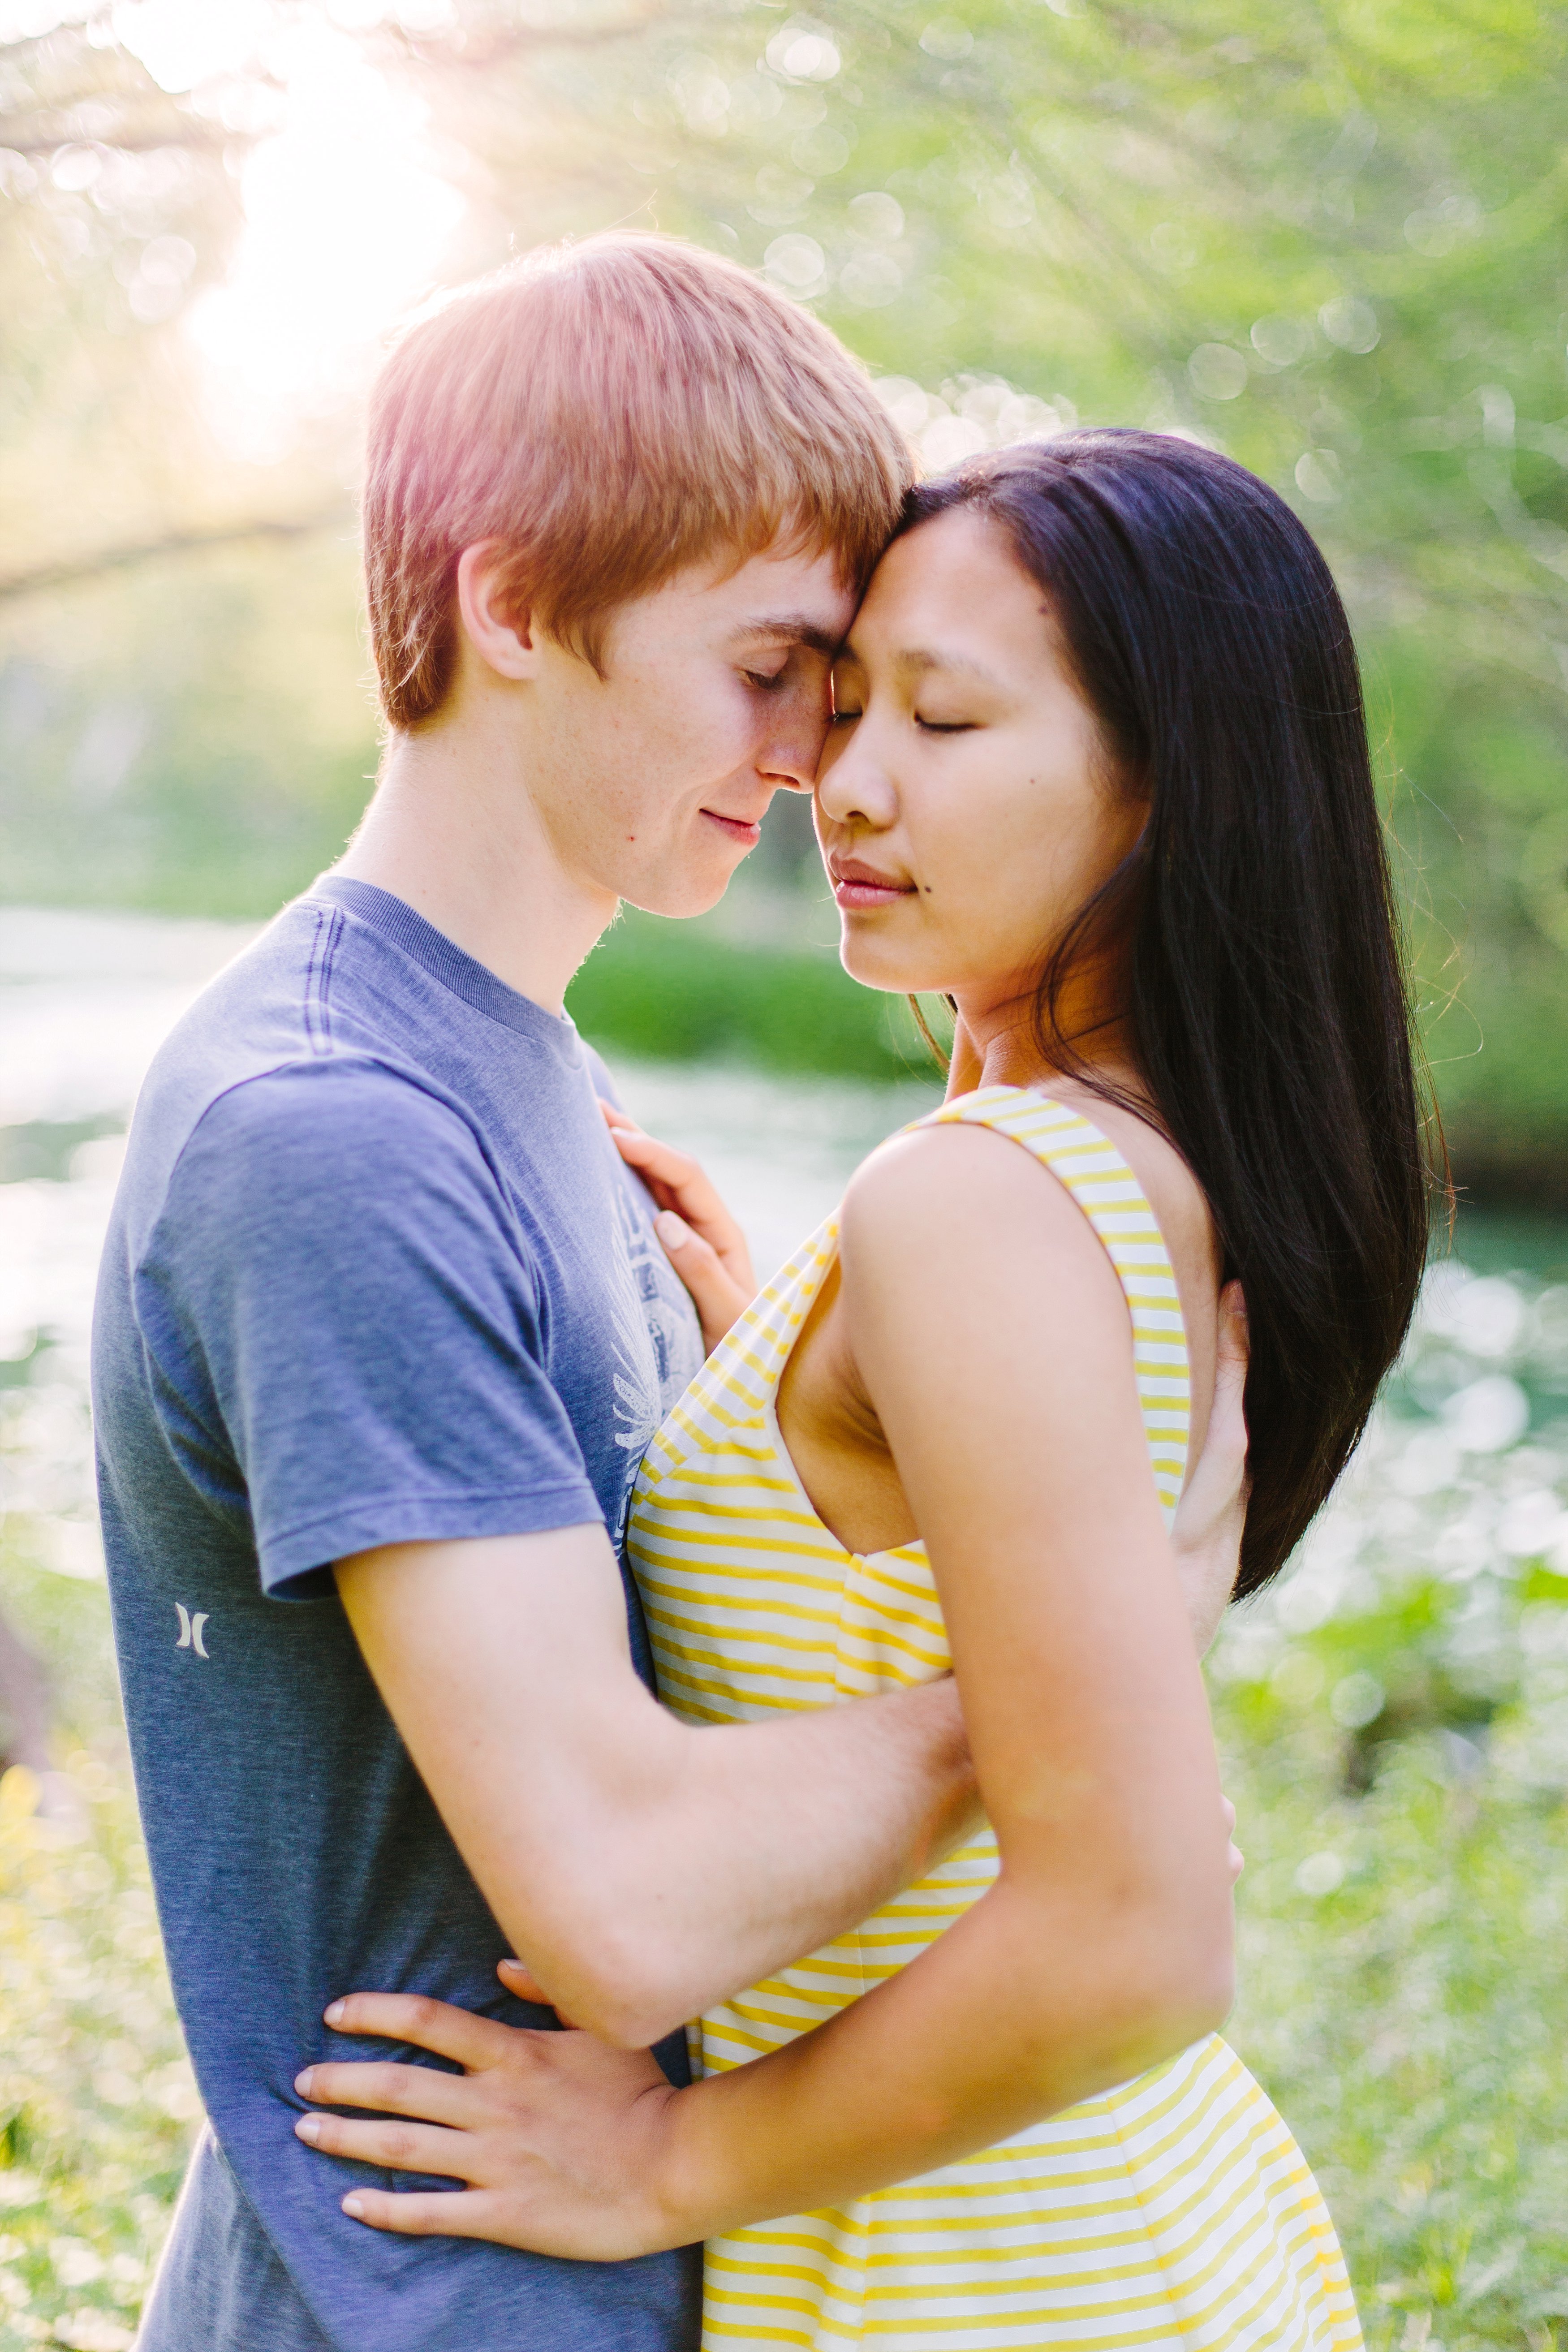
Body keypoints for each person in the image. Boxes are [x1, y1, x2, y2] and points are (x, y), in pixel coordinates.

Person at [92, 243, 1248, 2352]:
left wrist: (743, 1415)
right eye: (772, 665)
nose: (819, 756)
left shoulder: (531, 1071)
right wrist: (1081, 1670)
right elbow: (621, 1908)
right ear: (514, 599)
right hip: (433, 2294)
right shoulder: (338, 1123)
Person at [292, 433, 1432, 2350]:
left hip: (986, 2277)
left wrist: (663, 2162)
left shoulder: (978, 1204)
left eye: (949, 718)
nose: (844, 777)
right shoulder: (1103, 1161)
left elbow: (1138, 1930)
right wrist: (774, 1387)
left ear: (1171, 786)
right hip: (1114, 2226)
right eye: (841, 701)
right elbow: (946, 1583)